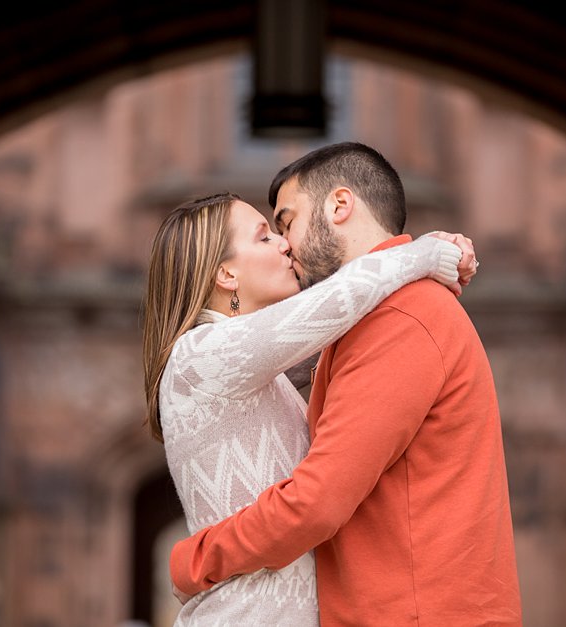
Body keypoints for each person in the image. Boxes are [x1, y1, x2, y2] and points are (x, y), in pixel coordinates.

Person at [168, 143, 522, 626]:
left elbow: (318, 500)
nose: (285, 244)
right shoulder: (359, 323)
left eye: (286, 221)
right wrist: (428, 251)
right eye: (268, 234)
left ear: (339, 206)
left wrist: (196, 560)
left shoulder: (399, 317)